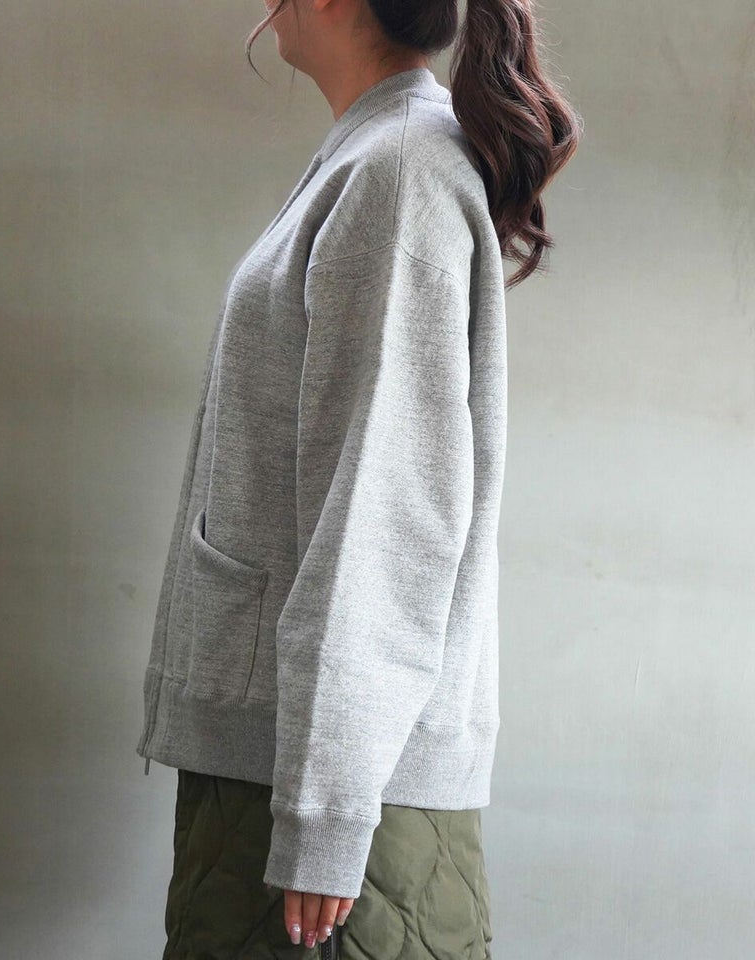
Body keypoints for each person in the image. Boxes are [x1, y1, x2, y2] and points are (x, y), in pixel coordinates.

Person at [136, 1, 581, 957]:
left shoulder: (400, 171)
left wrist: (327, 814)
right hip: (292, 768)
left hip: (330, 792)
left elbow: (386, 512)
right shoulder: (375, 156)